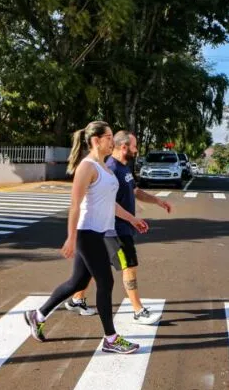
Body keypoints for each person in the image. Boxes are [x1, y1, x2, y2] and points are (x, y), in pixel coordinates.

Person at [24, 121, 147, 353]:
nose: (113, 141)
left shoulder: (105, 168)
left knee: (78, 282)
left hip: (100, 232)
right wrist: (71, 238)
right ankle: (110, 339)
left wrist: (132, 219)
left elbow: (110, 203)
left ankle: (37, 315)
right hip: (87, 233)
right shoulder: (87, 167)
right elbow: (75, 205)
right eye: (109, 137)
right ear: (96, 140)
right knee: (106, 281)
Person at [64, 131, 172, 325]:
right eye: (134, 146)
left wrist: (157, 200)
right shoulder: (110, 168)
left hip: (116, 227)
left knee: (92, 268)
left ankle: (76, 299)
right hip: (115, 229)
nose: (137, 149)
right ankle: (138, 311)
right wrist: (131, 219)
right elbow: (106, 202)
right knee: (129, 266)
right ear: (124, 147)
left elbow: (135, 191)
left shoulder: (124, 168)